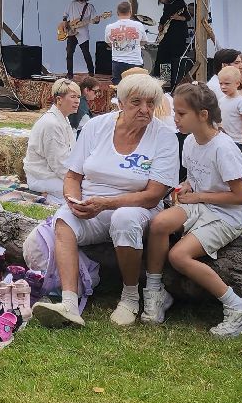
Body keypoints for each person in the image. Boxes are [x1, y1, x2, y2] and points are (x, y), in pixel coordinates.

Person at [31, 73, 179, 328]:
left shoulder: (164, 136)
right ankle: (69, 302)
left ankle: (130, 296)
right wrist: (75, 201)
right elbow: (73, 175)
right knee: (64, 217)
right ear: (120, 103)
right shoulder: (96, 127)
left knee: (124, 218)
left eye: (150, 103)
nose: (145, 110)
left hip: (139, 207)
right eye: (136, 102)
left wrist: (105, 204)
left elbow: (154, 195)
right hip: (93, 205)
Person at [140, 81, 242, 337]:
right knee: (159, 223)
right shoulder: (190, 142)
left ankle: (238, 307)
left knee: (178, 256)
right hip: (202, 205)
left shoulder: (224, 148)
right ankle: (155, 291)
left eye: (181, 114)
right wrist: (187, 187)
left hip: (226, 216)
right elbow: (194, 179)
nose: (176, 119)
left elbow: (240, 197)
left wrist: (198, 196)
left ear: (203, 115)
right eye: (175, 112)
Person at [23, 78, 81, 195]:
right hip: (43, 177)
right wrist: (78, 179)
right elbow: (59, 164)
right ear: (59, 99)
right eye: (73, 97)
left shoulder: (62, 118)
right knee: (82, 192)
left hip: (53, 174)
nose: (77, 101)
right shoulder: (51, 124)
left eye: (78, 97)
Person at [103, 2, 152, 84]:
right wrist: (134, 44)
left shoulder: (109, 27)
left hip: (117, 62)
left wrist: (120, 45)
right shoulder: (139, 25)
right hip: (135, 62)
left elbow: (109, 43)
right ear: (130, 12)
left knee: (118, 87)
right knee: (135, 87)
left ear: (117, 13)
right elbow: (144, 41)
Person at [152, 0, 191, 86]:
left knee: (175, 59)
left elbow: (188, 16)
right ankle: (165, 82)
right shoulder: (167, 4)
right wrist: (161, 24)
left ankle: (176, 83)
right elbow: (164, 16)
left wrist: (179, 18)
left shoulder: (180, 3)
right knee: (162, 58)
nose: (162, 1)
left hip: (177, 36)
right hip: (166, 36)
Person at [61, 0, 98, 76]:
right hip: (71, 32)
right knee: (69, 54)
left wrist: (97, 20)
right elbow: (65, 15)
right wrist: (65, 23)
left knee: (86, 54)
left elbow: (95, 20)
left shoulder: (89, 7)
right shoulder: (72, 4)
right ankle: (70, 74)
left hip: (83, 33)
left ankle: (91, 73)